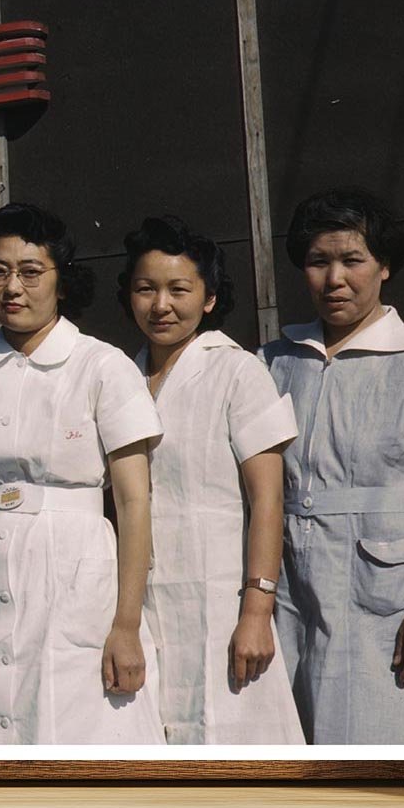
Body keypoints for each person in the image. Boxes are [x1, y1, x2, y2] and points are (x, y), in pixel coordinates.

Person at [259, 187, 404, 745]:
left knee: (387, 741)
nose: (335, 278)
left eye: (352, 260)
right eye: (319, 261)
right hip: (291, 589)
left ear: (383, 266)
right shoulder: (272, 363)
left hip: (386, 592)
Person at [0, 202, 165, 745]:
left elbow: (134, 502)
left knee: (81, 729)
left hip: (76, 570)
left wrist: (126, 625)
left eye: (31, 272)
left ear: (62, 281)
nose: (13, 287)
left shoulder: (101, 365)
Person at [118, 216, 304, 744]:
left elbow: (268, 500)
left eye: (179, 290)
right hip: (139, 600)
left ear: (209, 299)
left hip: (220, 597)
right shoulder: (120, 375)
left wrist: (257, 611)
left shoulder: (237, 371)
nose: (161, 305)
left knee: (233, 743)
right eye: (146, 289)